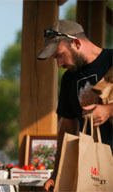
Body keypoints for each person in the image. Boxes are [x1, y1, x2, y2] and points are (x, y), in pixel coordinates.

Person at [37, 20, 113, 191]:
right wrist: (56, 175)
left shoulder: (111, 60)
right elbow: (66, 129)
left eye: (59, 55)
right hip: (91, 174)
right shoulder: (69, 79)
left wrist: (109, 110)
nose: (59, 64)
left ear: (76, 43)